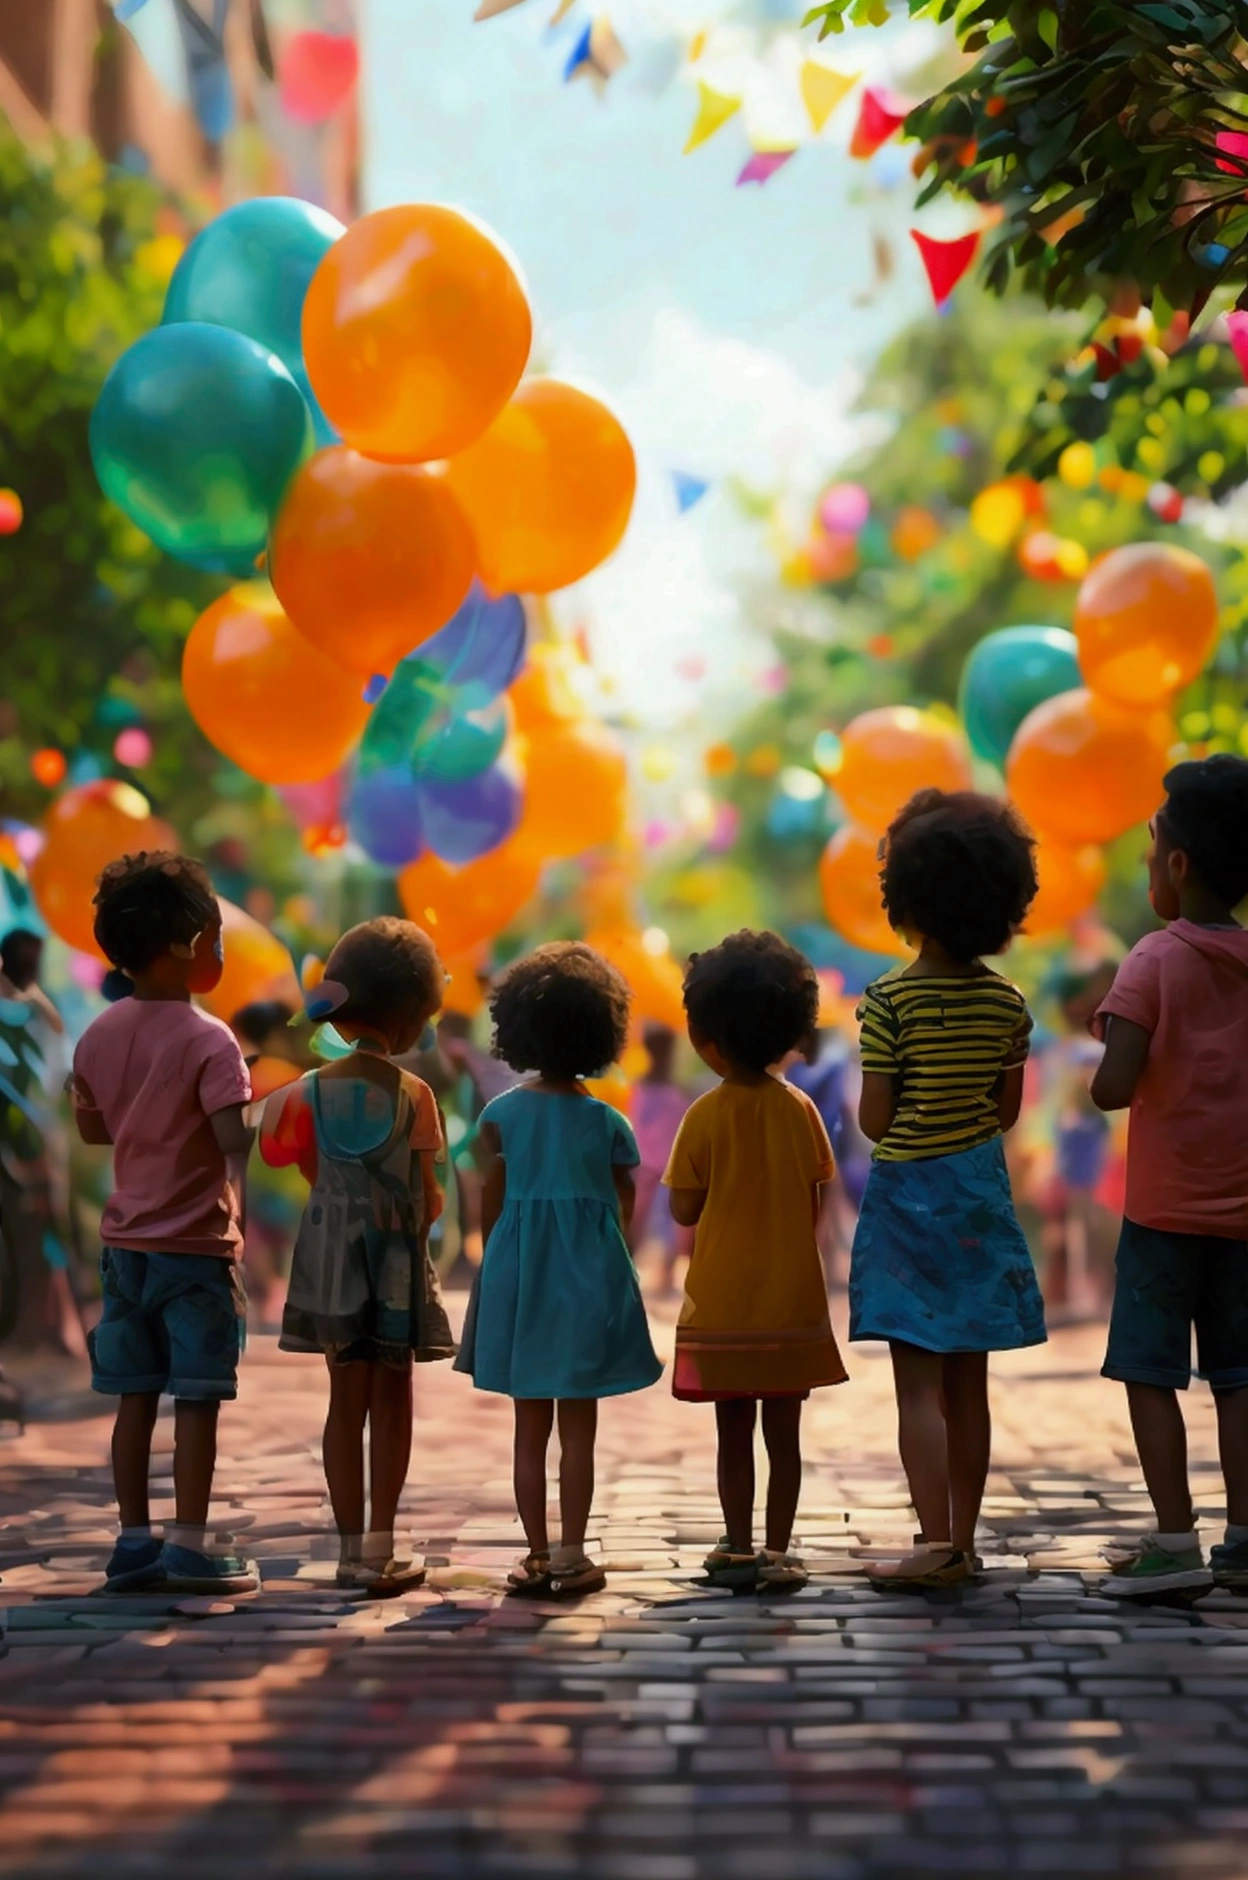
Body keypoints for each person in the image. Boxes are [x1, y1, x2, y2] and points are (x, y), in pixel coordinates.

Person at [849, 791, 1046, 1589]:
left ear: (903, 899)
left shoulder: (889, 1003)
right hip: (977, 1195)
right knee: (971, 1384)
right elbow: (1003, 1114)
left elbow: (873, 1119)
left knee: (917, 1386)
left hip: (907, 1204)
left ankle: (931, 1541)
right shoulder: (1008, 1004)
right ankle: (965, 1539)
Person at [69, 853, 257, 1595]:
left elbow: (94, 1131)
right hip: (194, 1248)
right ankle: (188, 1543)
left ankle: (132, 1541)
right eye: (214, 936)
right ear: (184, 945)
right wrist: (266, 1104)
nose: (220, 949)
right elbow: (234, 1138)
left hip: (125, 1249)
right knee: (198, 1398)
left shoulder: (98, 1035)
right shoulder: (211, 1041)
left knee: (135, 1396)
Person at [455, 942, 662, 1598]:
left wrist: (498, 1260)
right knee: (579, 1431)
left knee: (528, 1429)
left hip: (521, 1278)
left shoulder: (502, 1116)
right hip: (584, 1281)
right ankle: (574, 1553)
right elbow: (622, 1204)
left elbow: (490, 1198)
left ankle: (536, 1554)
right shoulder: (607, 1120)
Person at [1090, 755, 1248, 1600]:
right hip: (1244, 1217)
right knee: (1239, 1376)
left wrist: (1109, 1043)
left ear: (1178, 865)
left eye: (1152, 850)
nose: (1147, 865)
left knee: (1152, 1371)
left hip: (1161, 1216)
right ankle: (1247, 1541)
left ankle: (1175, 1540)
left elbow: (1113, 1086)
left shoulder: (1153, 958)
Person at [260, 918, 455, 1595]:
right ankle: (381, 1543)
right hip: (394, 1266)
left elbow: (291, 1159)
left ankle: (347, 1551)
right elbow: (428, 1198)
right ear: (409, 1019)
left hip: (333, 1263)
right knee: (392, 1397)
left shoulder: (305, 1093)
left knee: (344, 1402)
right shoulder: (416, 1096)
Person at [663, 930, 844, 1593]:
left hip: (725, 1303)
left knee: (733, 1431)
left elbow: (683, 1210)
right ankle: (778, 1548)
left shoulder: (704, 1115)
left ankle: (736, 1544)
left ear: (708, 1038)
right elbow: (815, 1199)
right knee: (784, 1435)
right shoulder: (802, 1111)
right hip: (789, 1300)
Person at [628, 1022, 692, 1290]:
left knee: (642, 1219)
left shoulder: (643, 1089)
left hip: (649, 1164)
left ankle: (654, 1270)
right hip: (662, 1164)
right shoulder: (675, 1091)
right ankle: (660, 1270)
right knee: (662, 1221)